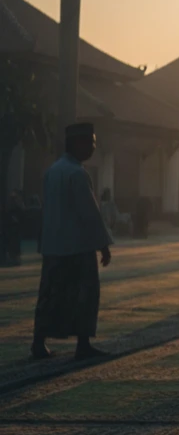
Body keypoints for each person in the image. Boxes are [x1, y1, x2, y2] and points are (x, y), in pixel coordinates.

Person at [32, 123, 115, 360]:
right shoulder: (77, 173)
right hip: (77, 246)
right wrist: (103, 245)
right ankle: (83, 345)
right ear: (77, 143)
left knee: (49, 295)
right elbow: (90, 213)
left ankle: (38, 342)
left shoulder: (52, 171)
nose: (92, 148)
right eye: (90, 143)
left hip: (53, 246)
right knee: (84, 295)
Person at [4, 190, 24, 266]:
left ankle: (14, 259)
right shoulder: (10, 209)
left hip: (14, 229)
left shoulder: (14, 208)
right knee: (13, 245)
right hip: (12, 229)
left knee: (14, 245)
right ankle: (13, 259)